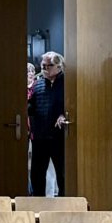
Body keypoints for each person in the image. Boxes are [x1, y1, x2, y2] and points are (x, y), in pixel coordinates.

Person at [27, 51, 67, 195]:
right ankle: (38, 203)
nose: (44, 69)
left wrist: (63, 115)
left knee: (63, 174)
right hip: (40, 137)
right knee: (37, 174)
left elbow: (72, 106)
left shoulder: (67, 84)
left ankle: (64, 202)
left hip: (59, 137)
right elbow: (31, 108)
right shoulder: (37, 85)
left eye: (48, 66)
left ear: (59, 66)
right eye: (42, 65)